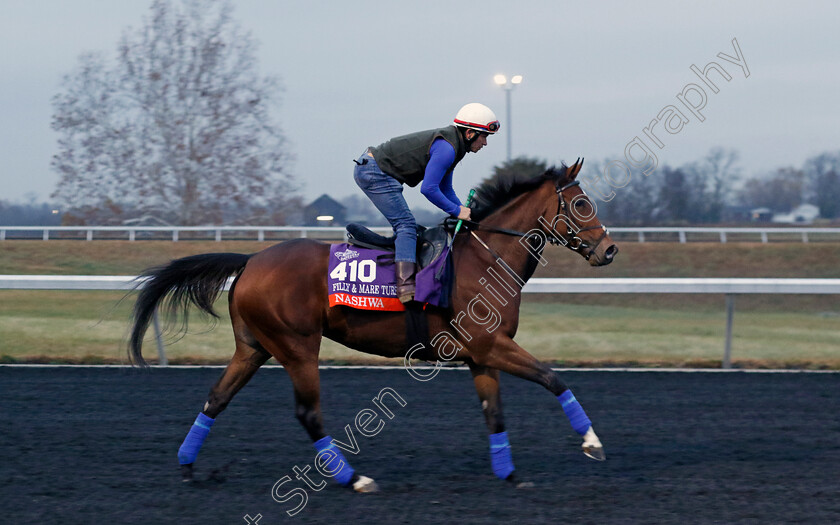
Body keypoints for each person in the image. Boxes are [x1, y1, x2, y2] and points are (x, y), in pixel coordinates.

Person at [353, 102, 499, 303]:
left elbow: (445, 189)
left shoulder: (454, 148)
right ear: (469, 134)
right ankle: (405, 288)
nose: (485, 143)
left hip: (378, 170)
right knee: (406, 226)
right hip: (373, 171)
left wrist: (464, 212)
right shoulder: (447, 149)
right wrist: (456, 210)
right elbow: (428, 189)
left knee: (409, 226)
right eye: (484, 136)